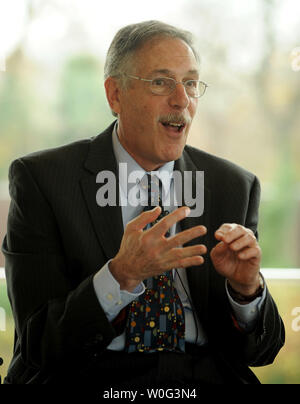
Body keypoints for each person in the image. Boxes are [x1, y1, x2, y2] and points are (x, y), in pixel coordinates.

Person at [2, 20, 284, 386]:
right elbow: (38, 343)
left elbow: (262, 352)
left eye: (191, 83)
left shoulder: (233, 186)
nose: (181, 99)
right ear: (115, 95)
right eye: (161, 82)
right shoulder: (42, 180)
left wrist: (247, 292)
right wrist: (121, 276)